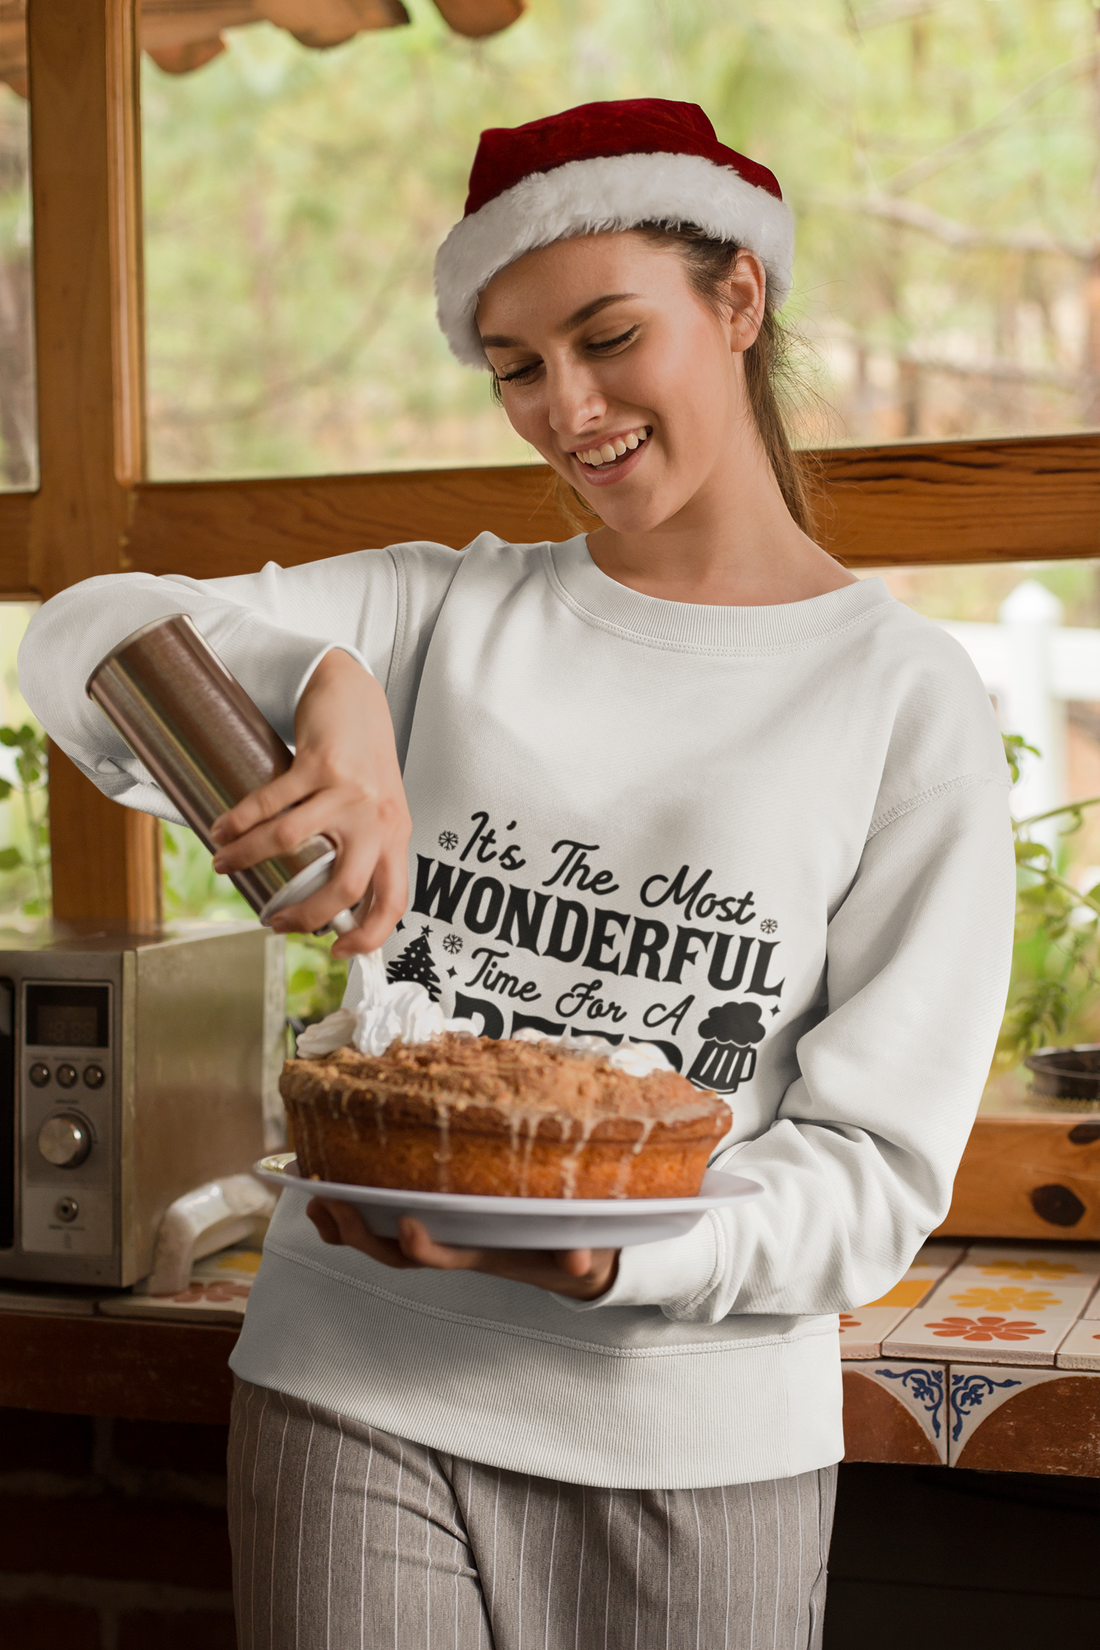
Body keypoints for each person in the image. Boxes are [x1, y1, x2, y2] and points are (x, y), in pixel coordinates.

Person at [20, 98, 1015, 1650]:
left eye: (610, 336)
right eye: (517, 367)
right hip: (352, 1386)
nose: (569, 408)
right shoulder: (440, 612)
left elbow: (876, 1171)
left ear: (738, 296)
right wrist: (329, 673)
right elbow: (76, 631)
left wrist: (624, 1248)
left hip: (697, 1445)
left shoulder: (906, 697)